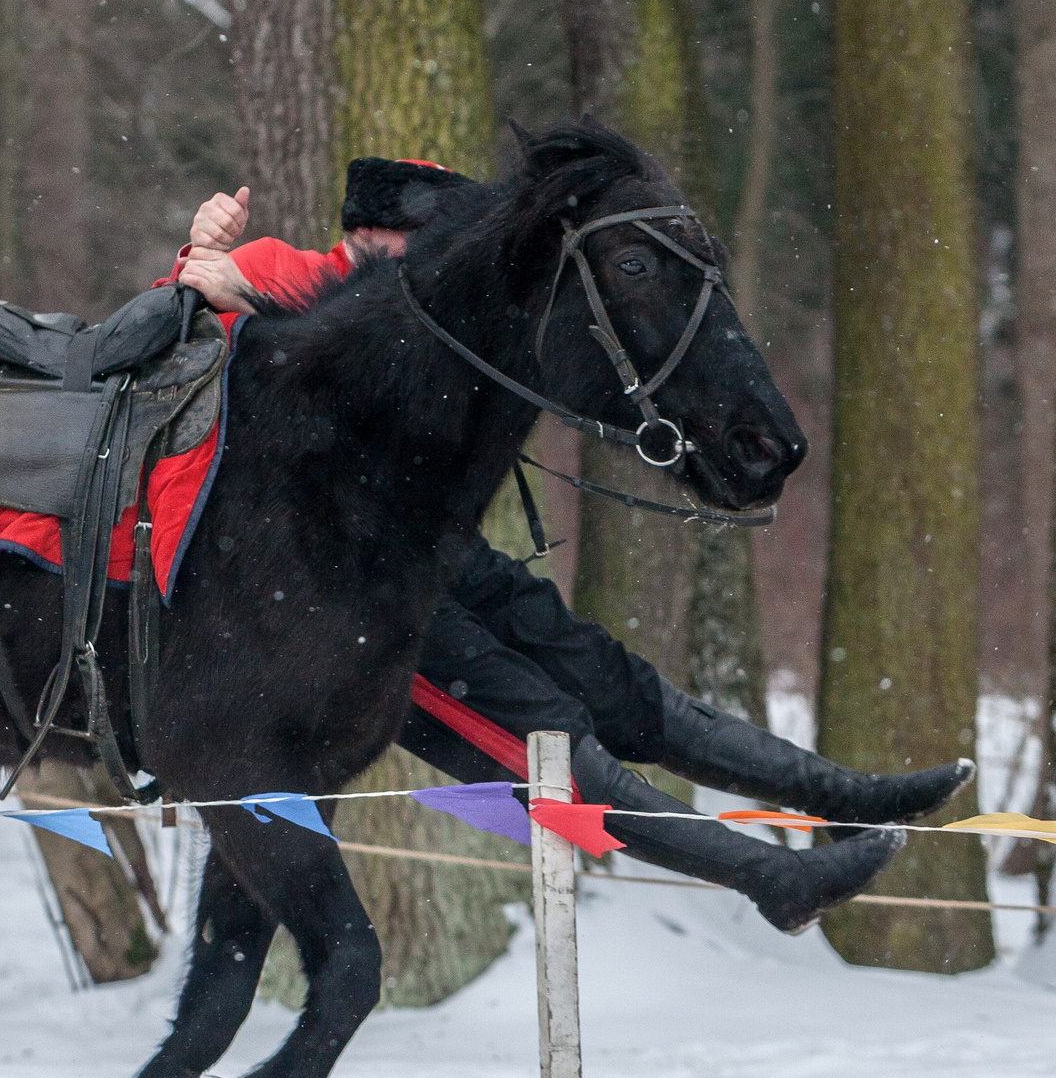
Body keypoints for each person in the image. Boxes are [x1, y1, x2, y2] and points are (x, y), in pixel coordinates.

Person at [160, 160, 972, 933]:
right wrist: (210, 263)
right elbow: (170, 347)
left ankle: (836, 795)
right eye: (429, 243)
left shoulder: (439, 314)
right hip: (346, 588)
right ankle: (770, 877)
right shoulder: (281, 269)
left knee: (607, 676)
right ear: (370, 236)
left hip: (442, 551)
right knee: (544, 734)